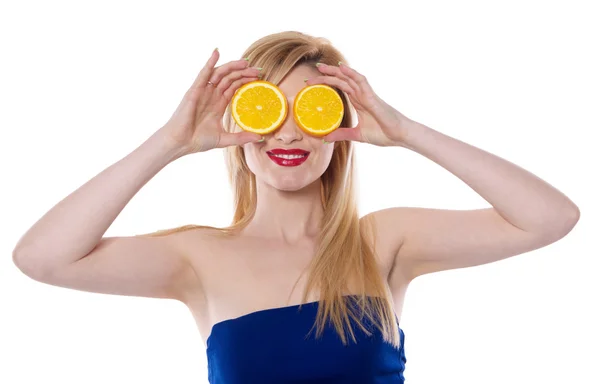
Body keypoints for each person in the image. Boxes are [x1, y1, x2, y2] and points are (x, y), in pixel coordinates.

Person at [12, 31, 580, 383]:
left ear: (336, 127)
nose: (288, 133)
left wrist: (406, 131)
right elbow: (42, 258)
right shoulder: (198, 258)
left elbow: (550, 217)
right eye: (265, 109)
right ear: (238, 124)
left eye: (309, 110)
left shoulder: (385, 242)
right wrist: (169, 143)